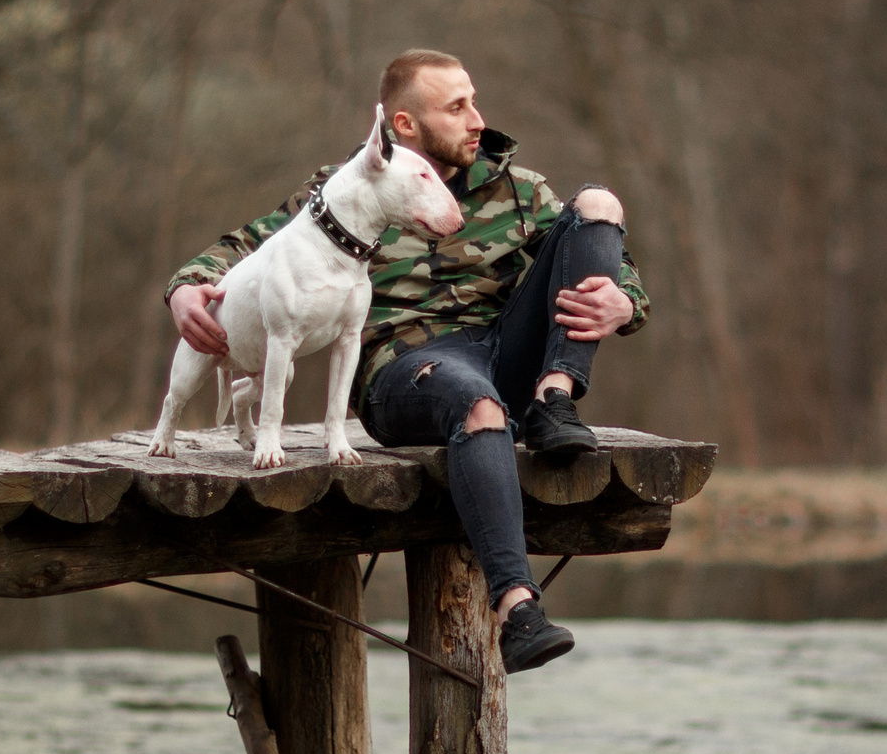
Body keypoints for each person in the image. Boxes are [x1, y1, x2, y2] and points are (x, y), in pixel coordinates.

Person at [163, 50, 650, 673]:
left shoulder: (522, 191)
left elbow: (607, 263)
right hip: (407, 367)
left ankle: (555, 397)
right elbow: (245, 247)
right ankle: (518, 608)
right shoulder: (343, 190)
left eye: (474, 100)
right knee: (476, 404)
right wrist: (187, 287)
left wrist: (623, 302)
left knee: (600, 204)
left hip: (506, 352)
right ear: (404, 127)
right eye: (456, 108)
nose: (478, 119)